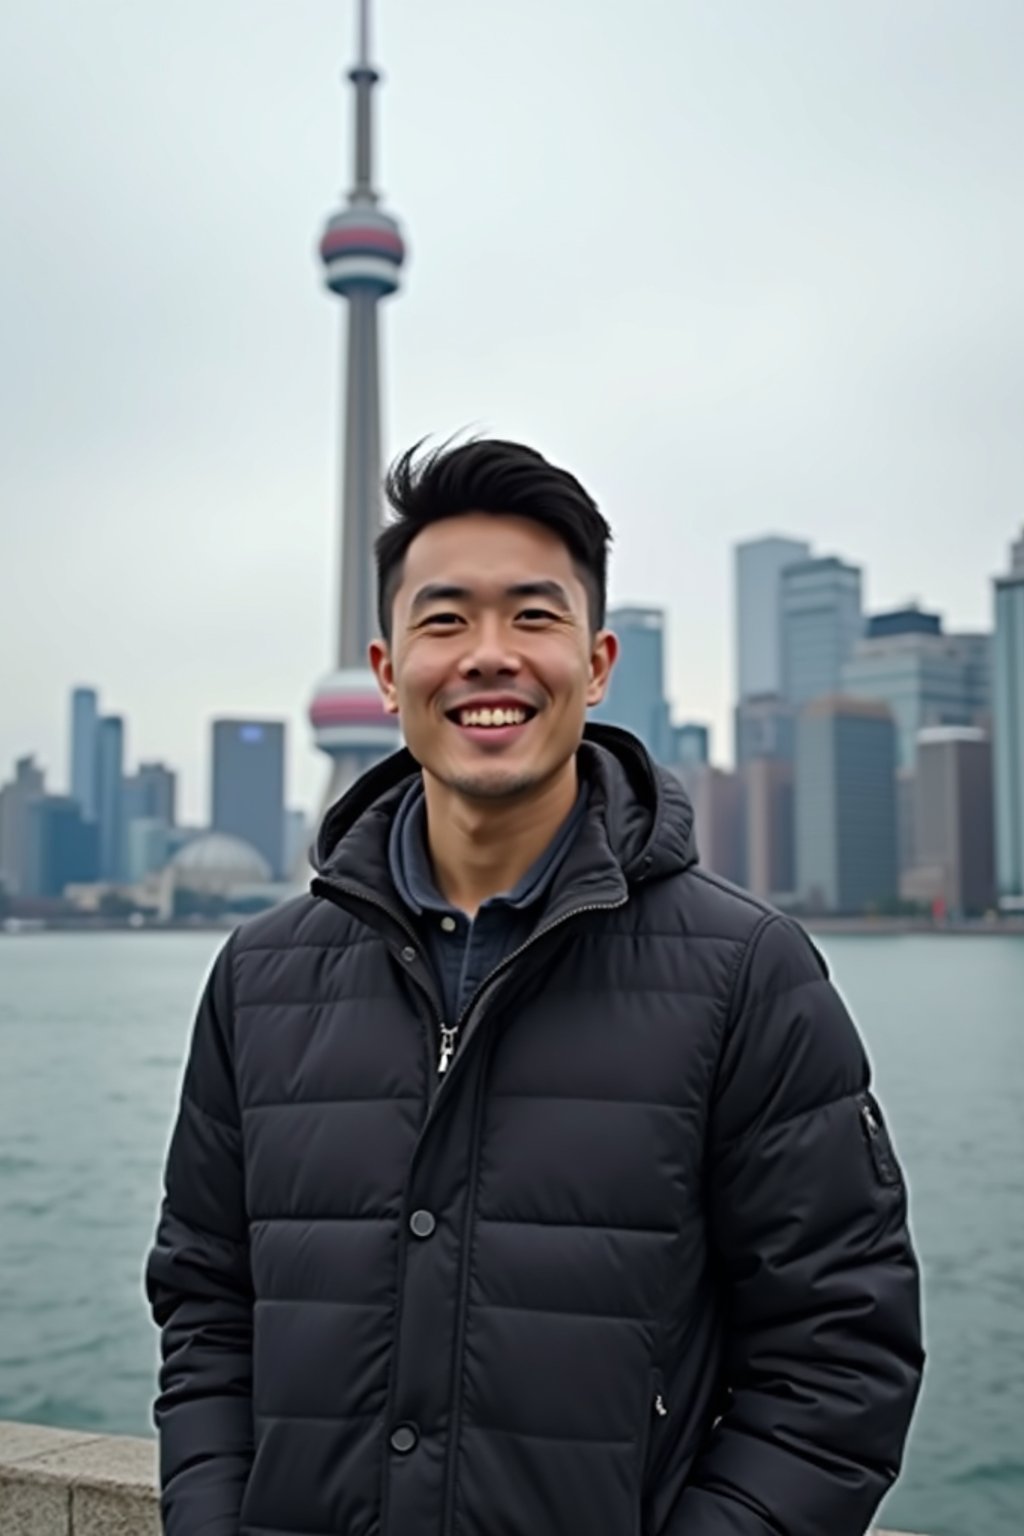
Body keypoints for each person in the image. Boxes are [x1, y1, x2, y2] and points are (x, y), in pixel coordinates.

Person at [146, 437, 923, 1536]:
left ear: (597, 664)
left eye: (533, 616)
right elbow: (207, 1312)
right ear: (385, 671)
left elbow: (839, 1357)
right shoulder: (261, 980)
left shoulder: (745, 975)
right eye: (446, 618)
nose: (488, 656)